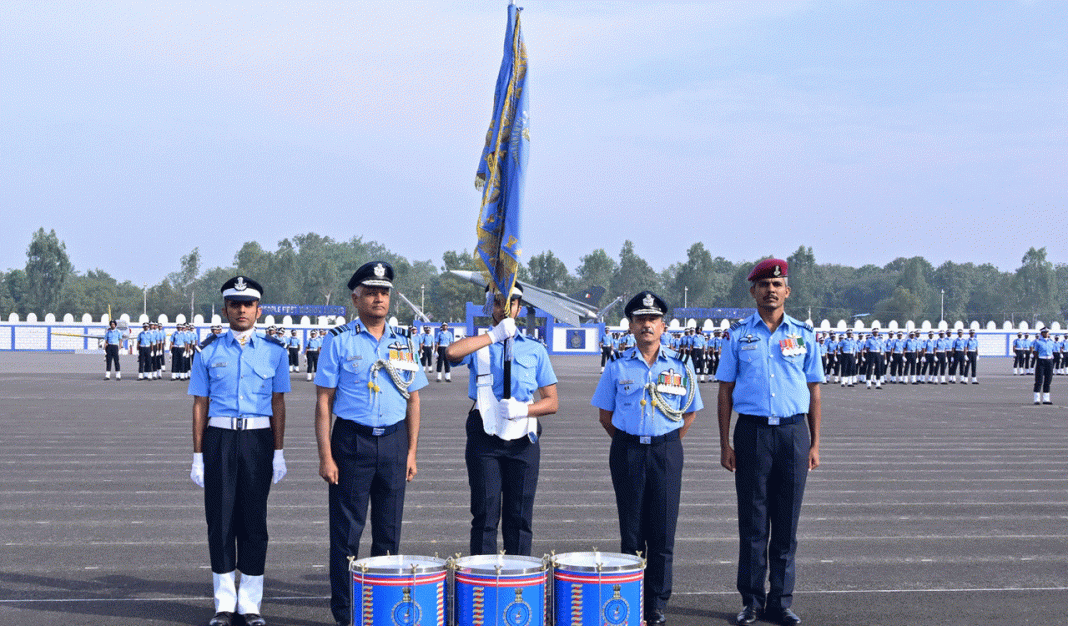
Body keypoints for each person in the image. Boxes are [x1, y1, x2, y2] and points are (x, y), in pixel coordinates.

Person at [313, 261, 428, 626]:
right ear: (356, 297)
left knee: (388, 533)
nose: (379, 298)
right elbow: (323, 402)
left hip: (393, 444)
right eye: (372, 292)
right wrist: (326, 456)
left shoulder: (405, 341)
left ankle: (381, 609)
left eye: (384, 292)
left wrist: (411, 451)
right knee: (346, 535)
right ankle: (346, 613)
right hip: (351, 443)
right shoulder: (339, 340)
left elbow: (413, 399)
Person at [716, 258, 822, 626]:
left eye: (777, 284)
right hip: (753, 434)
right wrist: (725, 443)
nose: (770, 290)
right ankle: (751, 602)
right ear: (753, 292)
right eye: (763, 285)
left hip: (793, 434)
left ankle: (780, 601)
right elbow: (725, 390)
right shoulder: (737, 335)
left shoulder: (805, 335)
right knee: (753, 524)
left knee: (787, 526)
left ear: (787, 291)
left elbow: (814, 390)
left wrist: (815, 443)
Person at [592, 291, 702, 626]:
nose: (647, 326)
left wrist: (661, 441)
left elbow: (689, 413)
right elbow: (605, 416)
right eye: (640, 319)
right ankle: (631, 596)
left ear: (663, 325)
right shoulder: (617, 366)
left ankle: (656, 602)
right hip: (627, 451)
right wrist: (634, 443)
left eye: (653, 320)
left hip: (666, 451)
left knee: (663, 532)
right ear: (630, 325)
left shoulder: (681, 365)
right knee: (631, 531)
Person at [188, 276, 290, 626]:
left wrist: (278, 451)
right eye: (235, 304)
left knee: (253, 521)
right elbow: (200, 405)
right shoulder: (208, 351)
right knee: (219, 522)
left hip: (257, 442)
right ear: (225, 309)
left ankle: (250, 603)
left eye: (248, 304)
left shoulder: (274, 352)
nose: (242, 310)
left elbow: (278, 403)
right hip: (219, 439)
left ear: (258, 310)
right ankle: (223, 603)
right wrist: (198, 455)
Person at [445, 284, 558, 556]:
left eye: (511, 303)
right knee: (485, 512)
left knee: (519, 516)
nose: (504, 308)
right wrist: (493, 336)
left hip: (523, 437)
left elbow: (552, 402)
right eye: (497, 302)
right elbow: (451, 353)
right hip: (486, 434)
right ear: (490, 306)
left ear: (519, 307)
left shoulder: (534, 350)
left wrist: (524, 409)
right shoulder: (480, 344)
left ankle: (519, 583)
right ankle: (483, 582)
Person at [1032, 327, 1056, 405]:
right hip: (1041, 360)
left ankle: (1046, 399)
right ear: (1042, 334)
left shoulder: (1051, 342)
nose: (1046, 334)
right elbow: (1035, 352)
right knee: (1039, 380)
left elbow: (1053, 351)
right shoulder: (1038, 342)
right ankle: (1037, 399)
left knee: (1048, 380)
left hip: (1049, 361)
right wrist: (1038, 360)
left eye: (1047, 332)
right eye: (1044, 332)